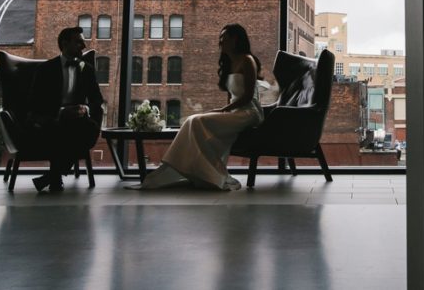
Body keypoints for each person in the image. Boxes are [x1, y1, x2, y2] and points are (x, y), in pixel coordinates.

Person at [136, 23, 266, 191]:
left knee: (196, 121)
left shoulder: (248, 61)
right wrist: (225, 111)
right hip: (235, 112)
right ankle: (197, 171)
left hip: (249, 112)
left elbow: (248, 96)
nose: (220, 42)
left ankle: (208, 173)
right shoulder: (229, 62)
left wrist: (223, 111)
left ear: (235, 40)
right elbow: (231, 96)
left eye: (224, 38)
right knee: (191, 121)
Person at [25, 26, 105, 193]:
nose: (83, 46)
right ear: (64, 44)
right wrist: (60, 112)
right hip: (52, 119)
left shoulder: (87, 70)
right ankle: (54, 177)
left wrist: (86, 108)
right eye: (78, 42)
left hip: (79, 120)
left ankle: (52, 176)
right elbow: (34, 103)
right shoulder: (45, 70)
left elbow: (97, 100)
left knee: (89, 128)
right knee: (60, 129)